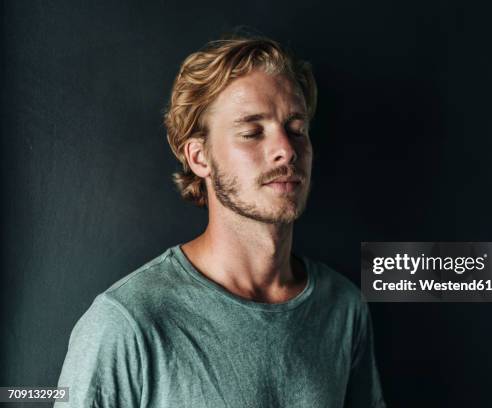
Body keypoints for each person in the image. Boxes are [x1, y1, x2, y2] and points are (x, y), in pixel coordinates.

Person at [54, 34, 386, 408]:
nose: (286, 150)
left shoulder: (342, 307)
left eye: (296, 129)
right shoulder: (126, 322)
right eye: (251, 132)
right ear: (199, 158)